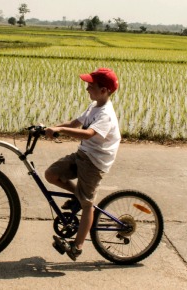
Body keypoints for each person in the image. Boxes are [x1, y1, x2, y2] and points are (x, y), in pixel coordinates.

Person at [44, 67, 121, 261]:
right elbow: (75, 123)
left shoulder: (106, 114)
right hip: (83, 154)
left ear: (104, 90)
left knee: (88, 205)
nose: (87, 88)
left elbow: (88, 134)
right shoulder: (93, 106)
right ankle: (79, 197)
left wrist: (60, 131)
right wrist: (52, 127)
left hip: (95, 162)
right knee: (51, 174)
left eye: (91, 86)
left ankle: (77, 247)